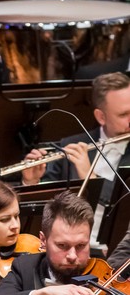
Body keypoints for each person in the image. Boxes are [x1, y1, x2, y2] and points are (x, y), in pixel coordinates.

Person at [20, 73, 130, 210]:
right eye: (123, 115)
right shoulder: (71, 144)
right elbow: (48, 209)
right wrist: (32, 182)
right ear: (101, 117)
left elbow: (125, 201)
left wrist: (90, 178)